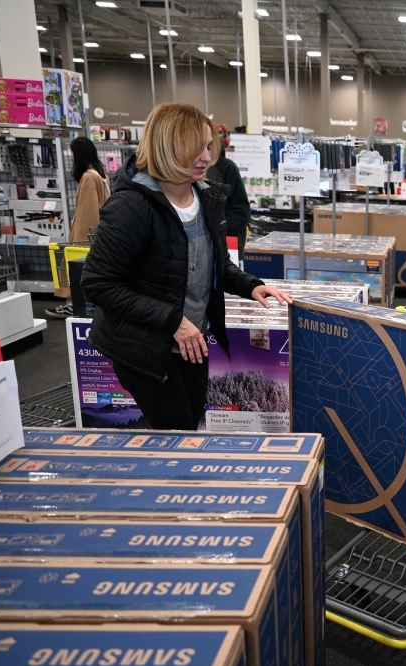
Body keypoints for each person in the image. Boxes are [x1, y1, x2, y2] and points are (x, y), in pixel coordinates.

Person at [80, 103, 291, 431]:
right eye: (196, 148)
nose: (207, 157)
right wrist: (173, 322)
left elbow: (216, 265)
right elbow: (98, 283)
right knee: (176, 433)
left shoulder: (205, 197)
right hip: (146, 349)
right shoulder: (132, 206)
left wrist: (250, 284)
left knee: (190, 427)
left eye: (208, 147)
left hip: (193, 341)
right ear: (167, 146)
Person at [45, 137, 111, 319]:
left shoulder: (89, 177)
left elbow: (87, 214)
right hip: (102, 234)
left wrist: (77, 242)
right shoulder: (102, 175)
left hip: (88, 234)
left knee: (74, 271)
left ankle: (72, 305)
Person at [205, 125, 251, 261]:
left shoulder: (226, 168)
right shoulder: (187, 170)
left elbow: (242, 212)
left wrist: (216, 229)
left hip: (228, 247)